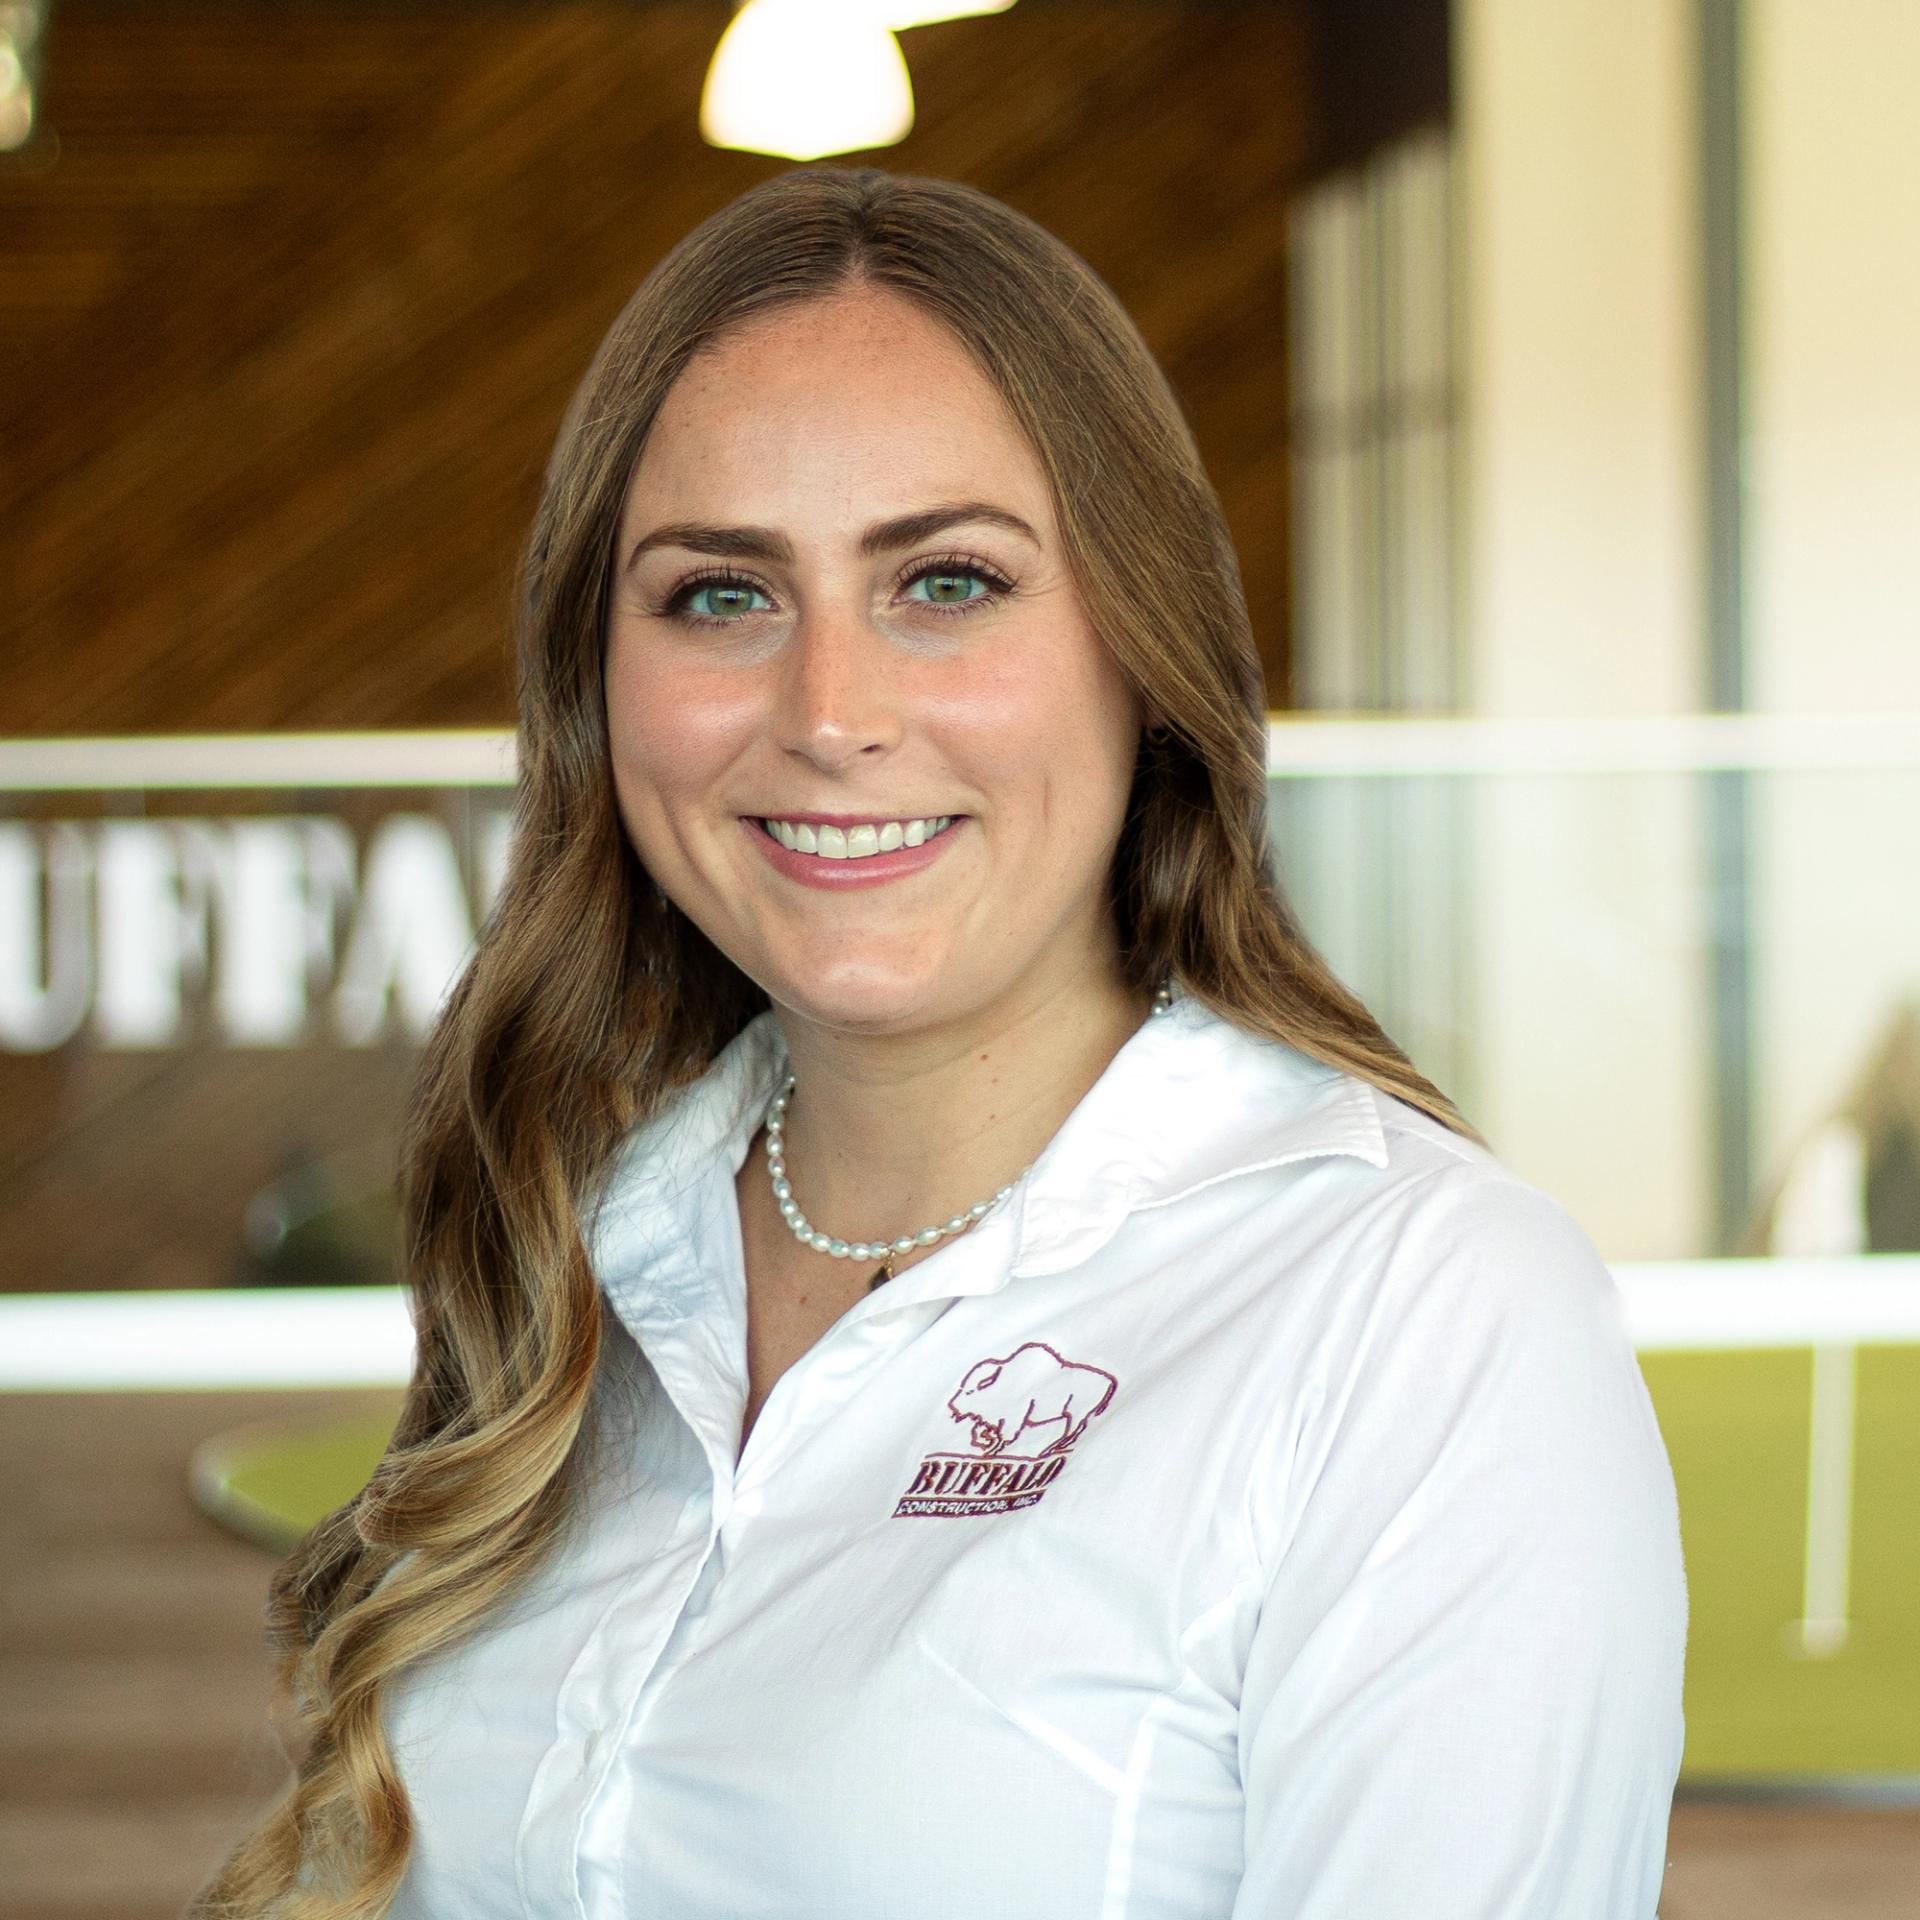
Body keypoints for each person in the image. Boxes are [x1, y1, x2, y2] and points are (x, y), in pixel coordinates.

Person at [192, 166, 1686, 1920]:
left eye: (950, 581)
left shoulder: (1418, 1314)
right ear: (597, 686)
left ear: (1144, 646)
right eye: (722, 596)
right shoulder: (585, 1246)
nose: (831, 714)